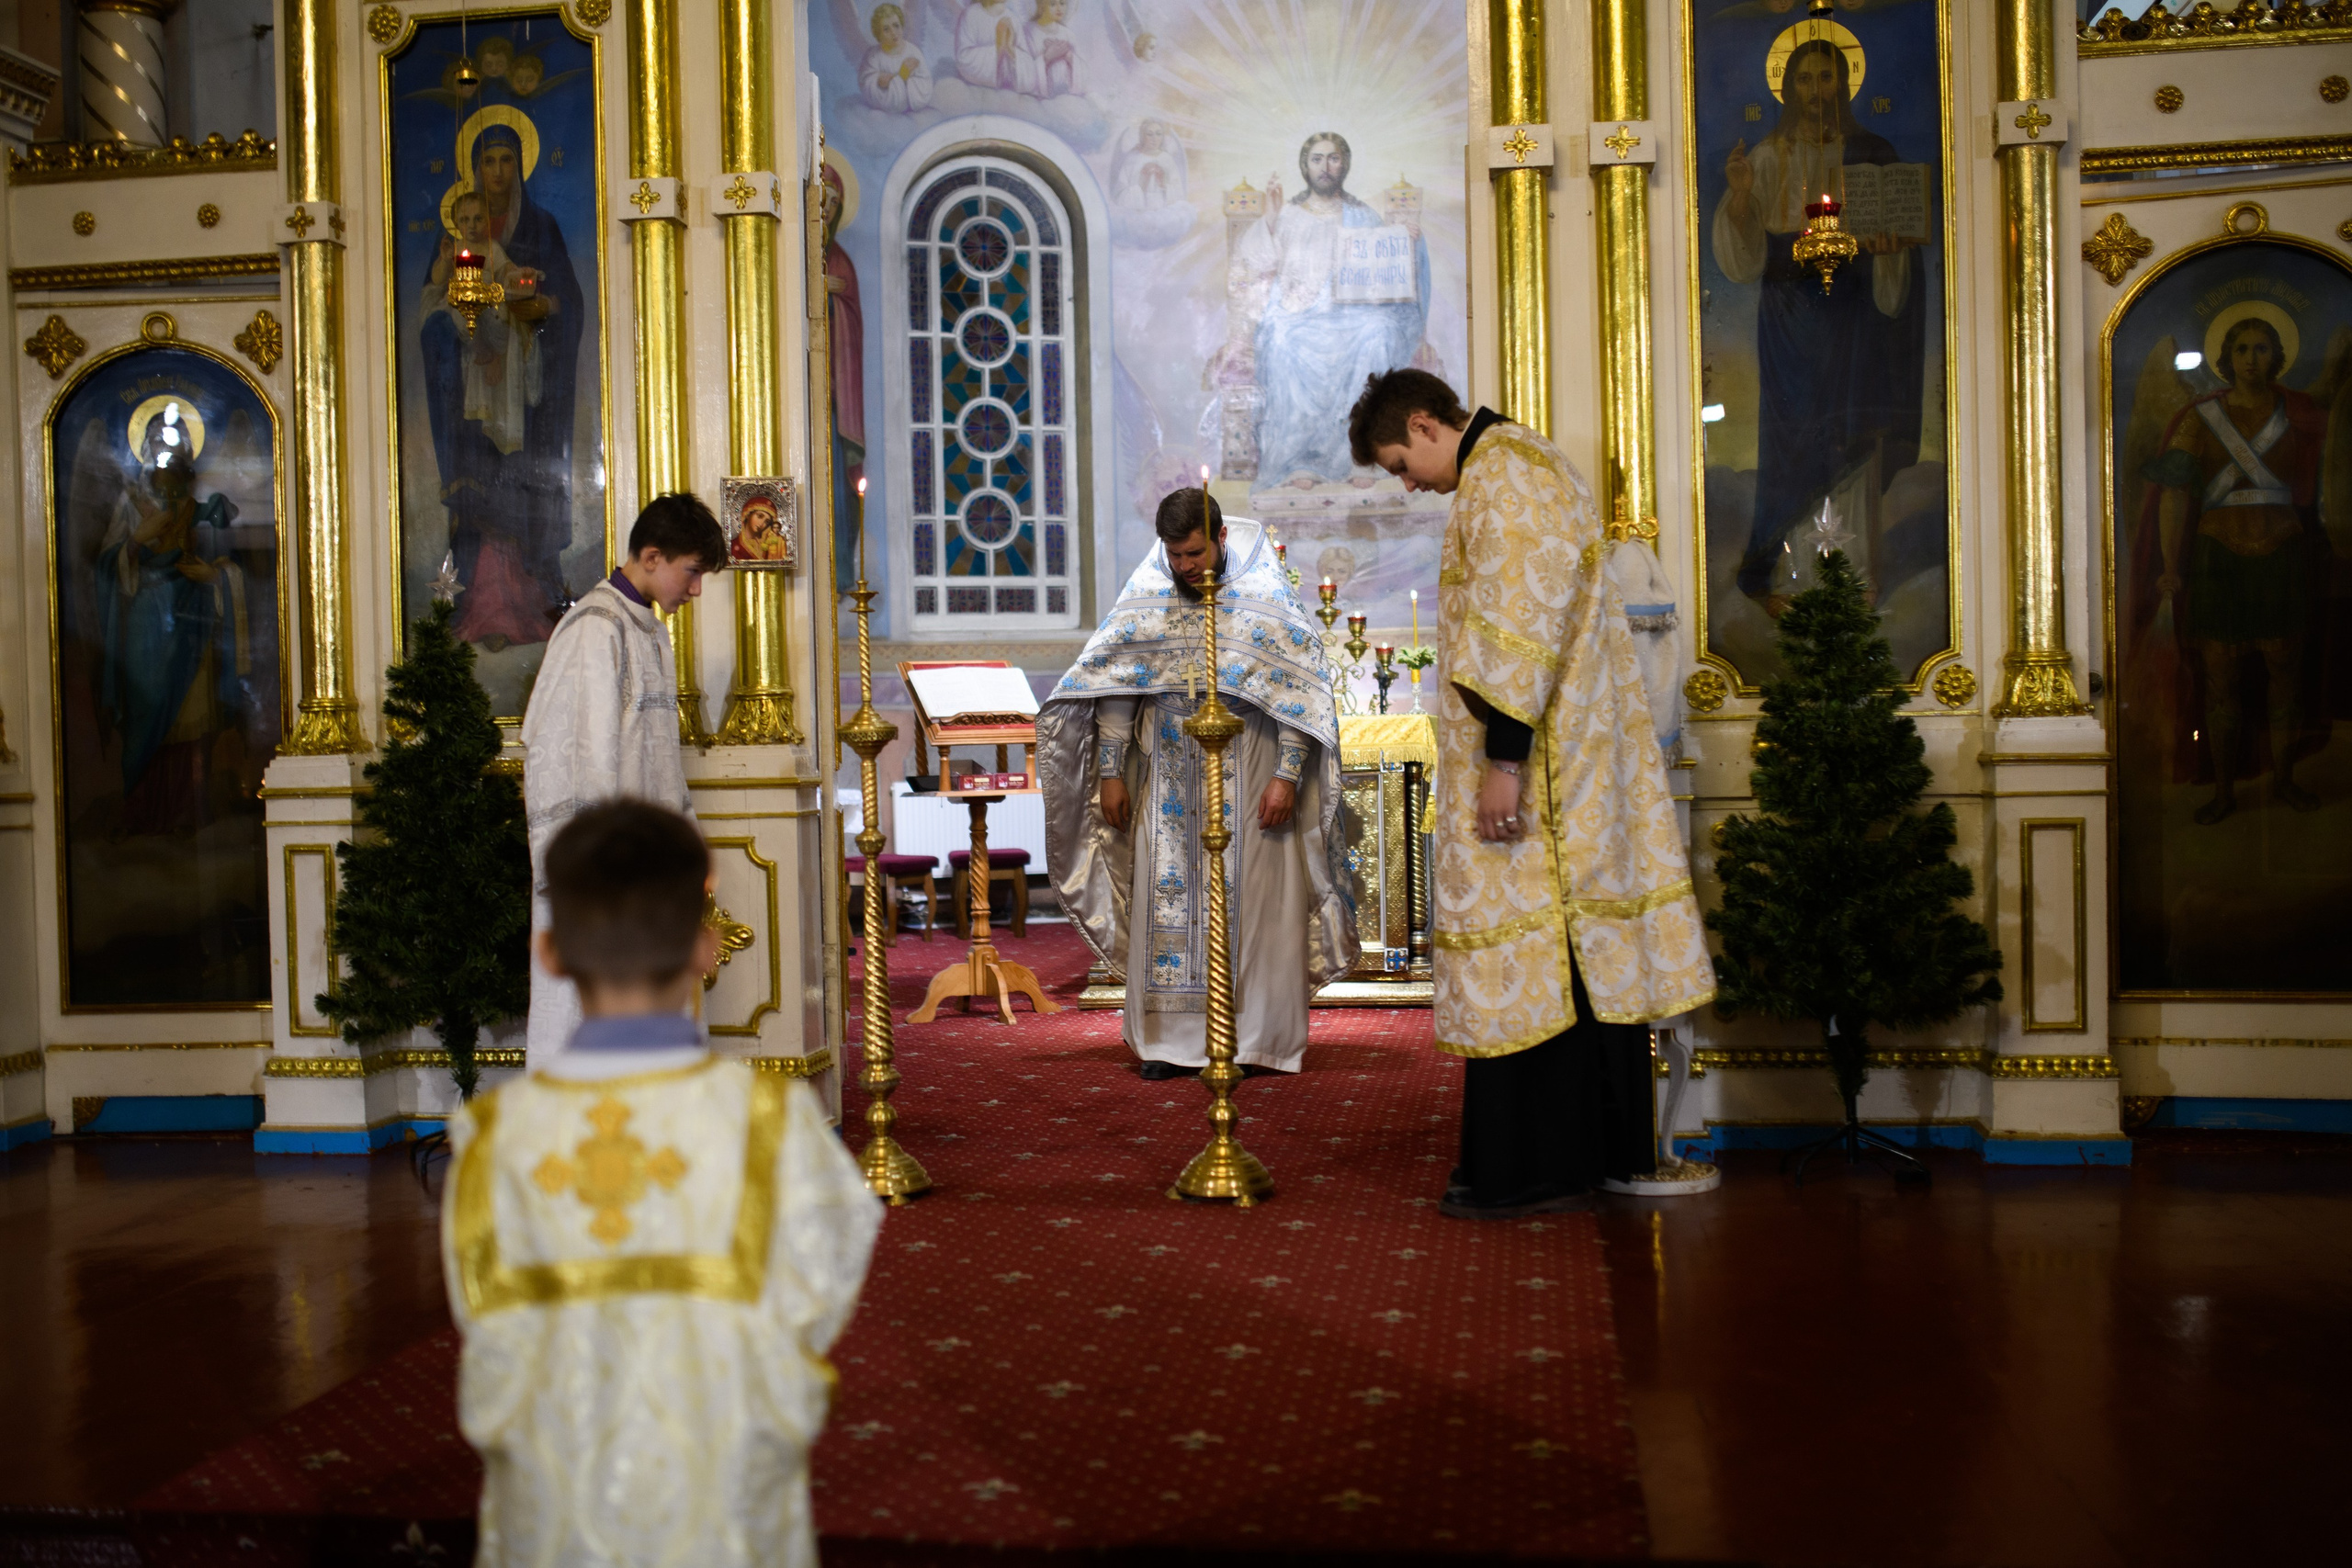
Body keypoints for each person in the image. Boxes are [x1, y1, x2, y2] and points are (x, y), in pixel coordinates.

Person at [444, 800, 880, 1568]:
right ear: (706, 945)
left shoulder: (490, 1140)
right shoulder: (772, 1122)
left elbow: (488, 1325)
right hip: (718, 1500)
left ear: (547, 953)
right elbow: (824, 1278)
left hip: (560, 1509)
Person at [1352, 369, 1715, 1218]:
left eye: (1401, 462)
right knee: (1563, 952)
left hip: (1544, 775)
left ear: (1424, 422)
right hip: (1564, 760)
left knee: (1536, 949)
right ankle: (1576, 1153)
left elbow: (1518, 631)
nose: (1407, 483)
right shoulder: (1512, 467)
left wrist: (1504, 765)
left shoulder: (1508, 476)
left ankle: (1531, 1165)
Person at [1038, 490, 1354, 1077]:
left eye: (1194, 553)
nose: (1185, 566)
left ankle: (1256, 1040)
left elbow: (1299, 697)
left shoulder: (1264, 597)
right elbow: (1118, 680)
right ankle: (1169, 1043)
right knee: (1170, 900)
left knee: (1260, 907)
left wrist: (1287, 777)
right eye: (1175, 554)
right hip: (1170, 779)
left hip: (1255, 768)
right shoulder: (1148, 592)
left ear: (1221, 540)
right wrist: (1110, 771)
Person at [1711, 35, 1928, 615]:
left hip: (1853, 316)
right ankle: (1782, 570)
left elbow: (1899, 251)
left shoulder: (1874, 152)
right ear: (1787, 87)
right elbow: (1742, 257)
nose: (1815, 92)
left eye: (1826, 79)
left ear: (1844, 86)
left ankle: (1850, 578)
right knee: (1793, 438)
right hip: (1787, 318)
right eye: (1804, 80)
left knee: (1852, 435)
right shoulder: (1765, 157)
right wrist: (1738, 200)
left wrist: (1889, 250)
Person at [520, 493, 727, 1063]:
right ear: (653, 556)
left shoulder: (648, 630)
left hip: (644, 870)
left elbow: (657, 760)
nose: (696, 589)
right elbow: (580, 760)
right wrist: (598, 873)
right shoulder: (595, 629)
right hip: (603, 879)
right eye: (692, 572)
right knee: (586, 1019)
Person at [2142, 314, 2333, 823]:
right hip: (2218, 559)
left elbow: (2328, 479)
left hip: (2283, 555)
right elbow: (2175, 492)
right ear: (2226, 358)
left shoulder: (2297, 413)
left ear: (2278, 356)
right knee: (2220, 680)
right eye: (2243, 348)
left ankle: (2285, 781)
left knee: (2285, 676)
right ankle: (2225, 791)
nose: (2252, 357)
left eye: (2263, 348)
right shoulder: (2198, 419)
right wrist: (2167, 565)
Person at [421, 119, 587, 631]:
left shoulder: (541, 227)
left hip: (525, 395)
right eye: (488, 161)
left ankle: (533, 596)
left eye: (507, 160)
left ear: (520, 167)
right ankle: (473, 600)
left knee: (521, 486)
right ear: (475, 170)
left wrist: (544, 307)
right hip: (471, 394)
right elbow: (432, 310)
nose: (497, 171)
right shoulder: (452, 242)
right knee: (478, 494)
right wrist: (460, 339)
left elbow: (568, 303)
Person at [1225, 131, 1430, 488]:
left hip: (1353, 315)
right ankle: (1299, 460)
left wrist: (1406, 238)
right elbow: (1255, 263)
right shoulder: (1288, 214)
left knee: (1378, 334)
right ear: (1305, 166)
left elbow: (1385, 266)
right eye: (1317, 159)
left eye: (1332, 158)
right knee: (1283, 341)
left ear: (1344, 164)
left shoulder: (1363, 215)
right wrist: (1270, 220)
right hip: (1299, 312)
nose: (1325, 166)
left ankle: (1363, 457)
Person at [857, 3, 933, 112]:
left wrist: (903, 80)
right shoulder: (873, 56)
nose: (893, 32)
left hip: (911, 113)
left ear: (902, 25)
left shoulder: (913, 52)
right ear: (878, 34)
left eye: (896, 25)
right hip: (883, 116)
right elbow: (865, 84)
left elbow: (925, 83)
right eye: (886, 29)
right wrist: (879, 82)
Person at [956, 0, 1041, 95]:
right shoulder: (970, 15)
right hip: (976, 91)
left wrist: (1010, 49)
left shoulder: (1013, 19)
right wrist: (999, 48)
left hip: (1009, 96)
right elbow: (963, 60)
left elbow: (1030, 71)